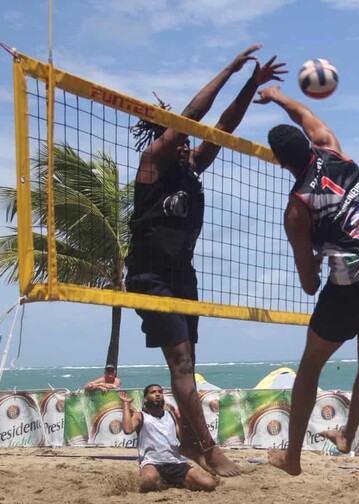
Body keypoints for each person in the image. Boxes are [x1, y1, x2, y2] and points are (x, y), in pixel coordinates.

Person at [125, 44, 286, 478]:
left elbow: (222, 125)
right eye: (178, 133)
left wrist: (251, 84)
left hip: (183, 276)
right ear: (165, 135)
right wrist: (230, 69)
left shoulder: (193, 166)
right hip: (150, 276)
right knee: (180, 363)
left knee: (188, 364)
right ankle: (206, 447)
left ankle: (193, 441)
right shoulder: (152, 164)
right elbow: (193, 117)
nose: (188, 140)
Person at [253, 85, 359, 476]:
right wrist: (276, 95)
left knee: (310, 366)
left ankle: (292, 458)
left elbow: (308, 284)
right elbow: (305, 114)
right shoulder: (331, 146)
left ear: (279, 162)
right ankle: (347, 435)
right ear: (308, 143)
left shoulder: (297, 208)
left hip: (353, 285)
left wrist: (315, 263)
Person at [119, 386, 217, 492]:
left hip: (175, 462)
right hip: (152, 462)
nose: (157, 394)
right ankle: (164, 482)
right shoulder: (140, 416)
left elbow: (182, 438)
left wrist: (180, 421)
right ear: (146, 397)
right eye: (153, 392)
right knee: (148, 480)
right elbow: (127, 429)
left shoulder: (171, 415)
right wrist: (126, 404)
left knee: (209, 484)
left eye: (160, 392)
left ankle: (175, 482)